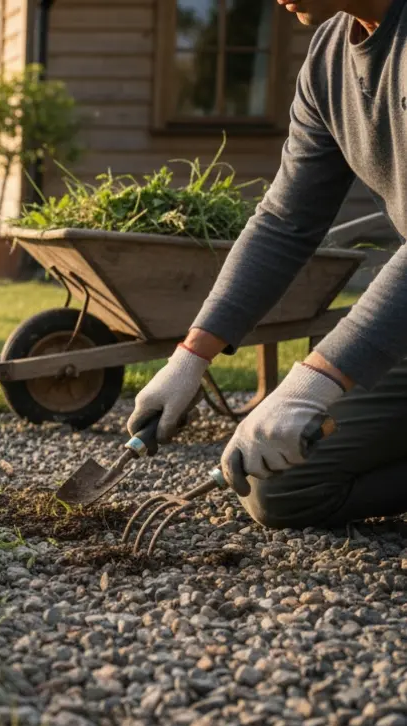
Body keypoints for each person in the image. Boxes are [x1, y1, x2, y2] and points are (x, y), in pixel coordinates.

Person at [128, 0, 407, 530]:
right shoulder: (328, 60)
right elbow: (285, 221)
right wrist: (190, 358)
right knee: (281, 487)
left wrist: (312, 383)